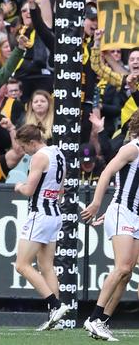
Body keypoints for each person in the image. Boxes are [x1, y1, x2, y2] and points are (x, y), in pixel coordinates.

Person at [81, 111, 139, 342]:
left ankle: (102, 321)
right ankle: (94, 318)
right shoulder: (132, 148)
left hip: (134, 214)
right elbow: (106, 173)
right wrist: (97, 203)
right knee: (123, 267)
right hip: (123, 212)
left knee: (126, 273)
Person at [12, 124, 69, 331]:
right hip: (55, 213)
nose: (24, 152)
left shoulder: (39, 156)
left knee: (22, 265)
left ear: (32, 142)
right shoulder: (59, 154)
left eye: (23, 147)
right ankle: (56, 320)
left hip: (40, 214)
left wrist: (18, 186)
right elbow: (61, 189)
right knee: (46, 266)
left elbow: (29, 189)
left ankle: (56, 305)